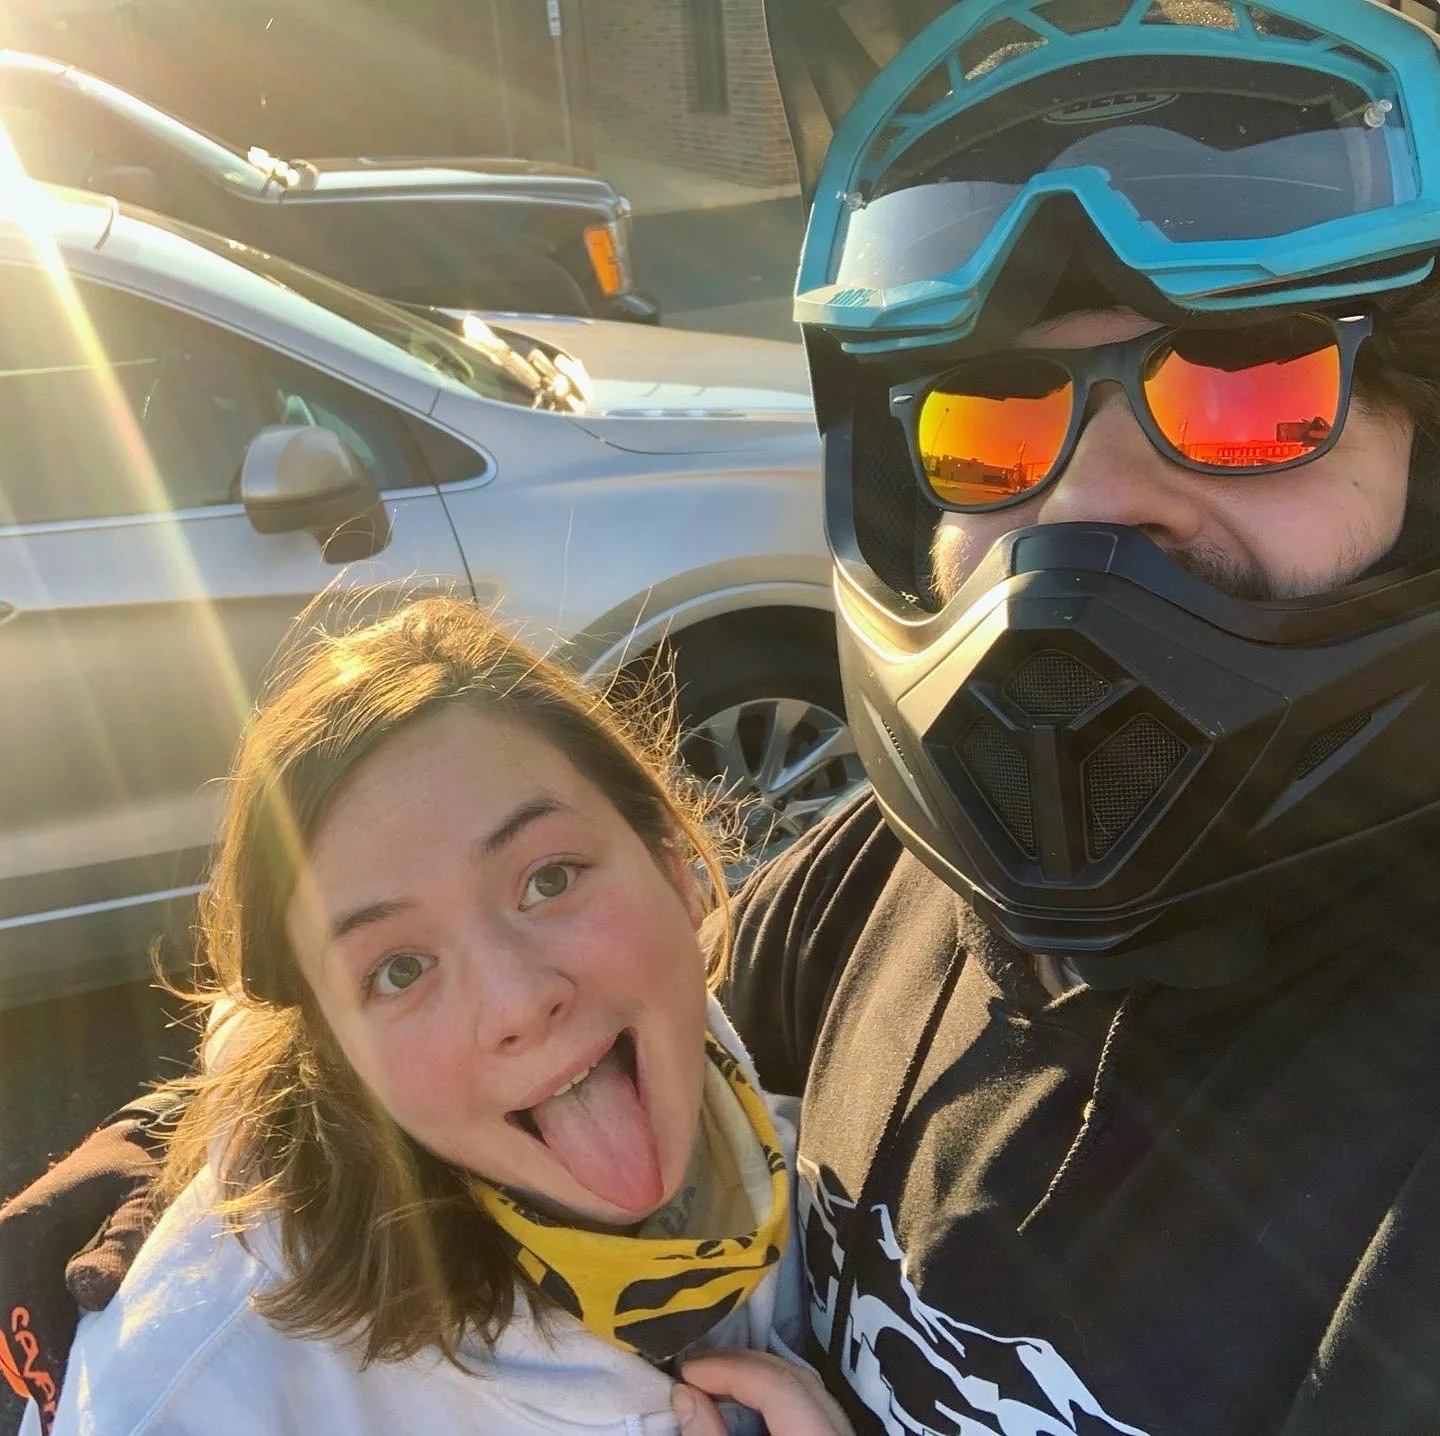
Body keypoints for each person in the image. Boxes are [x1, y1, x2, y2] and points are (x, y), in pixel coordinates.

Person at [12, 0, 1440, 1432]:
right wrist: (224, 1139)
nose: (1085, 505)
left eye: (1251, 394)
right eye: (990, 430)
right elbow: (600, 996)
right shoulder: (895, 885)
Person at [7, 594, 850, 1436]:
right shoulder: (194, 1397)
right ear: (337, 1052)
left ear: (671, 861)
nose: (517, 1004)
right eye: (399, 969)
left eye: (549, 878)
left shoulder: (828, 1143)